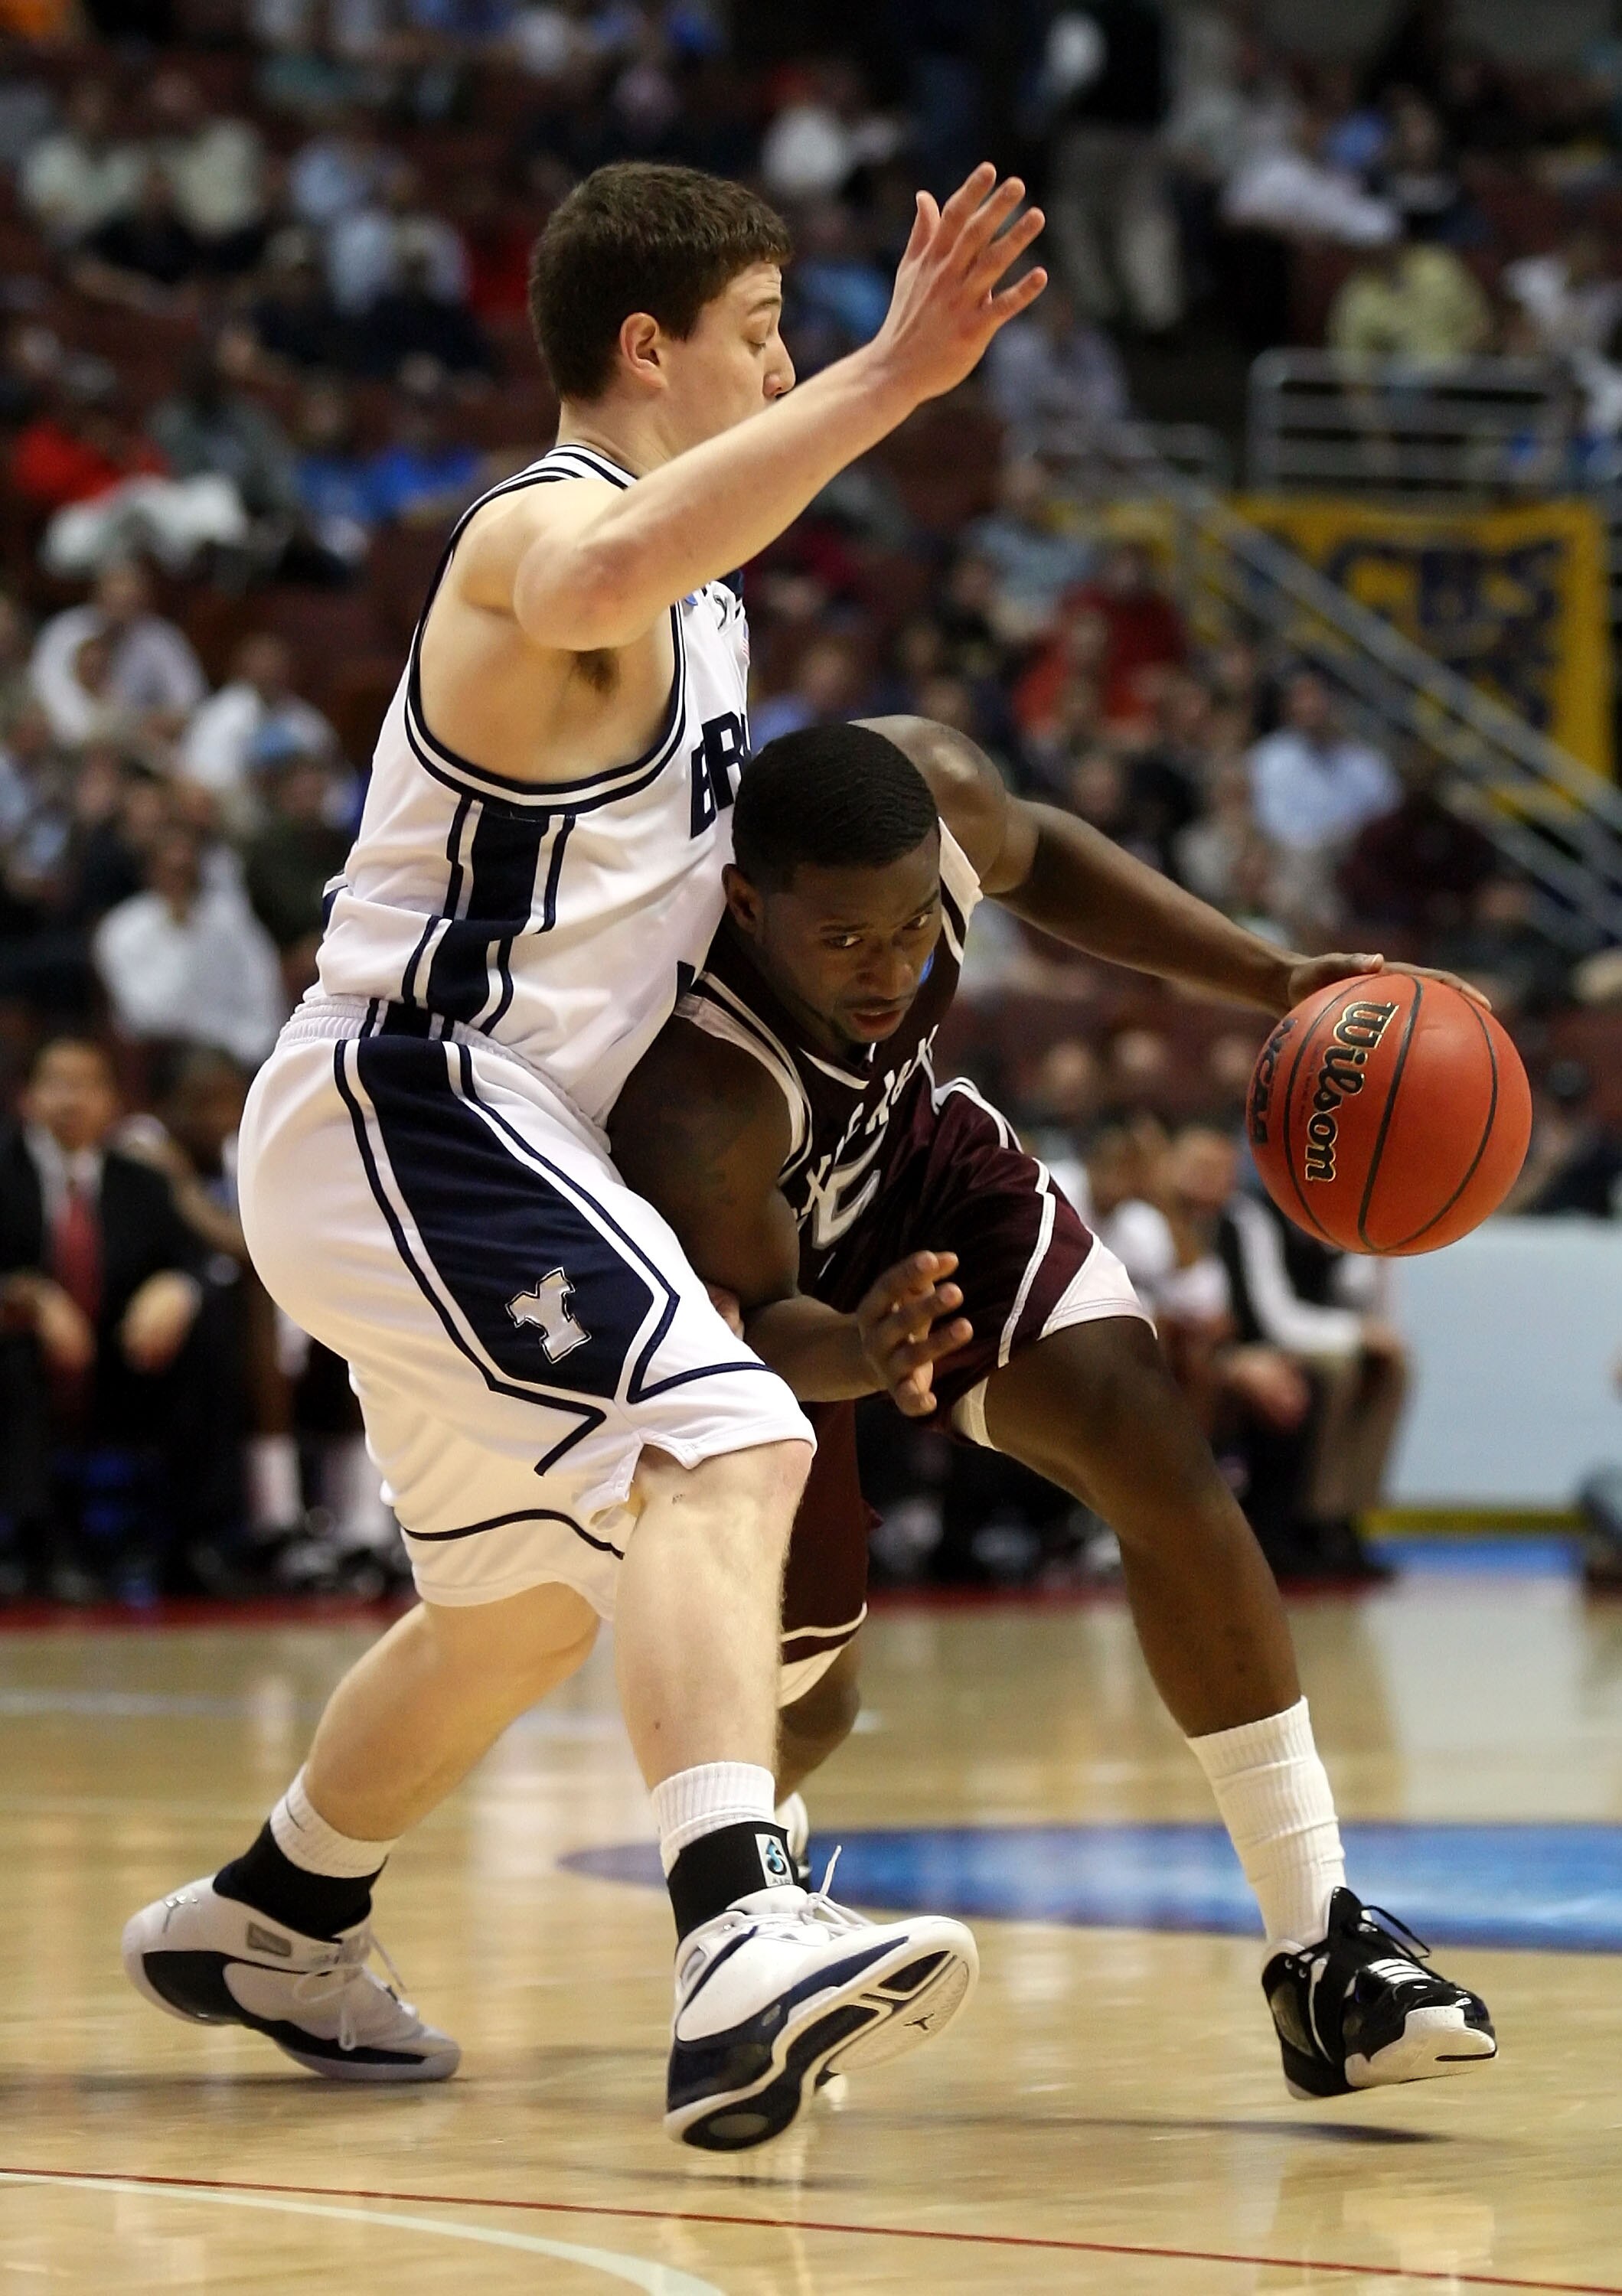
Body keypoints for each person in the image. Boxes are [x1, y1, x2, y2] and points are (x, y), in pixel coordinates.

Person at [122, 155, 1049, 2152]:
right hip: (415, 1102)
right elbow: (587, 584)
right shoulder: (536, 536)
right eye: (761, 329)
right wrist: (893, 378)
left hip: (470, 1146)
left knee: (523, 1599)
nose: (788, 361)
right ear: (647, 347)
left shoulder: (703, 609)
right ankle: (733, 1935)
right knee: (727, 1441)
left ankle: (275, 1912)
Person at [609, 716, 1497, 2105]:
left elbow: (1042, 856)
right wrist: (862, 1347)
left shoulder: (934, 798)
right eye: (843, 943)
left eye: (913, 929)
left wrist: (1267, 978)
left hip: (914, 1173)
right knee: (810, 1699)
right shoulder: (695, 1092)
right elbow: (755, 1334)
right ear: (746, 903)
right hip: (778, 1307)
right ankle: (751, 1929)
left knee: (1151, 1444)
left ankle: (1320, 1951)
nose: (893, 969)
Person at [0, 1036, 207, 1600]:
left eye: (88, 1084)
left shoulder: (141, 1180)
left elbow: (193, 1261)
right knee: (17, 1356)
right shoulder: (6, 1168)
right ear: (27, 1097)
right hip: (25, 1363)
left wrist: (176, 1289)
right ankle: (37, 1546)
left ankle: (190, 1543)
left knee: (205, 1329)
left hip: (119, 1357)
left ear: (114, 1100)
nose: (72, 1099)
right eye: (57, 1083)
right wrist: (31, 1297)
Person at [92, 824, 286, 1065]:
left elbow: (262, 988)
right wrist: (180, 932)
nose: (180, 881)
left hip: (236, 1051)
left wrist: (252, 1050)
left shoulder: (231, 922)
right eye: (171, 870)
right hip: (163, 1055)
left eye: (187, 870)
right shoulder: (123, 929)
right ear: (151, 871)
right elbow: (143, 1014)